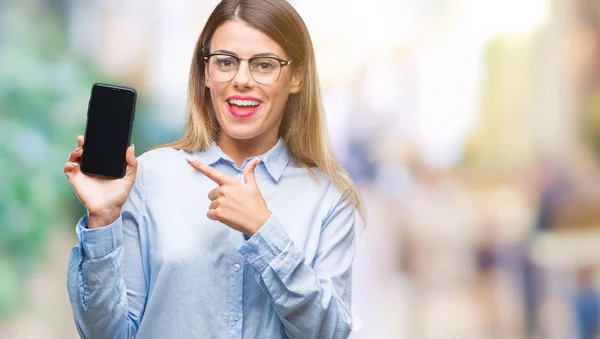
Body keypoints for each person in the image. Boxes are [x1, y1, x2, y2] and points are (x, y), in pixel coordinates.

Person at [63, 0, 365, 338]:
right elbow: (109, 334)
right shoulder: (149, 177)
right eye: (225, 62)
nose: (241, 80)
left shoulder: (328, 197)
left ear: (296, 77)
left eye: (264, 65)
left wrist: (264, 232)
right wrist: (102, 219)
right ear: (206, 73)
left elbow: (331, 333)